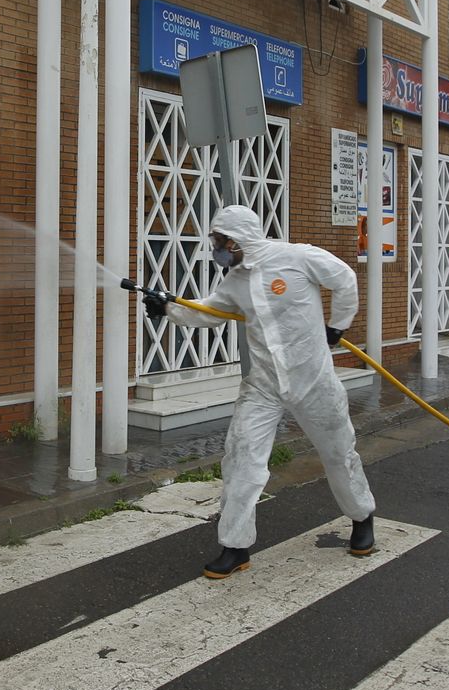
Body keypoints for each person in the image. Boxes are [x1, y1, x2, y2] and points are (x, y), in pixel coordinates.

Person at [146, 205, 377, 579]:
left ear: (237, 239)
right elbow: (210, 312)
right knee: (241, 459)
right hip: (264, 385)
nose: (216, 248)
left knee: (338, 453)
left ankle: (362, 517)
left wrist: (338, 326)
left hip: (313, 381)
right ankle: (235, 547)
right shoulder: (235, 279)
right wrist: (169, 308)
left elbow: (345, 278)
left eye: (220, 241)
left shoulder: (297, 256)